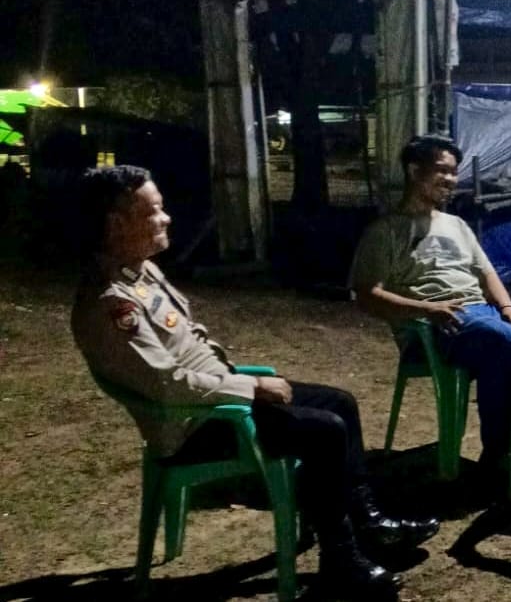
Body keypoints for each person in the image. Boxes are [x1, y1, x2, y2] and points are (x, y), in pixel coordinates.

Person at [71, 165, 438, 601]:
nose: (166, 218)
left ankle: (368, 522)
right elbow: (166, 384)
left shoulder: (141, 271)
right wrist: (252, 389)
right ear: (116, 224)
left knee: (339, 402)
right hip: (192, 425)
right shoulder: (110, 303)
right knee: (324, 430)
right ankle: (340, 560)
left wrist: (238, 379)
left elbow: (190, 343)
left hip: (215, 397)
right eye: (154, 211)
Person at [350, 135, 511, 471]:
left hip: (482, 310)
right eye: (442, 170)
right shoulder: (386, 231)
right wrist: (426, 309)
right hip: (433, 323)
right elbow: (366, 294)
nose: (451, 179)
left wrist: (507, 307)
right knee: (506, 339)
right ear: (414, 170)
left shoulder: (456, 225)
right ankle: (508, 451)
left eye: (454, 172)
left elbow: (487, 273)